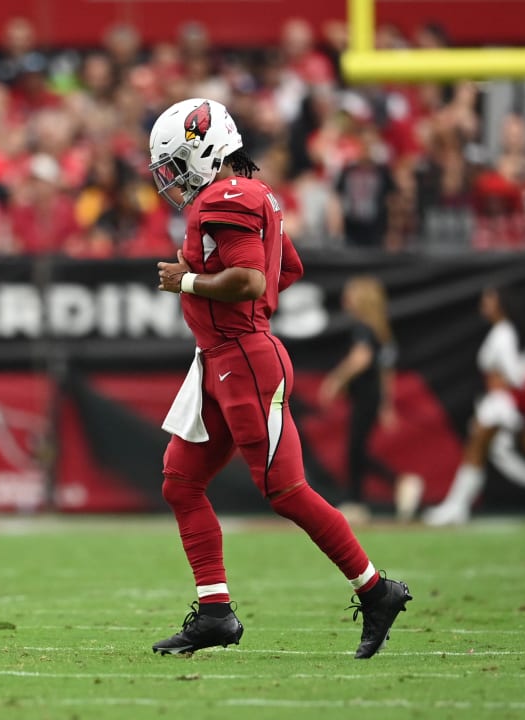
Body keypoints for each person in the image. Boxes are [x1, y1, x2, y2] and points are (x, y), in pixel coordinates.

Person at [150, 98, 410, 659]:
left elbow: (247, 280)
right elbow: (284, 268)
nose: (170, 180)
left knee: (285, 491)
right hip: (221, 359)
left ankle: (376, 590)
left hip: (242, 359)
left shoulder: (226, 196)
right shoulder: (251, 195)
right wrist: (236, 298)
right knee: (181, 481)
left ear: (206, 148)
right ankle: (216, 613)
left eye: (175, 164)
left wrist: (190, 282)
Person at [424, 287, 525, 526]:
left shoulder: (503, 332)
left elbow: (516, 373)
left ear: (501, 304)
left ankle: (456, 507)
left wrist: (511, 389)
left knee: (477, 449)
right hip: (506, 404)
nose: (484, 304)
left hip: (503, 404)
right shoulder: (507, 331)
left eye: (489, 300)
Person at [319, 276, 399, 518]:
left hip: (366, 395)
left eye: (351, 294)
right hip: (370, 396)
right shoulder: (380, 330)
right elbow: (386, 371)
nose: (346, 299)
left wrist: (336, 380)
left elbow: (361, 359)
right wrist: (386, 404)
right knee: (358, 447)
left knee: (356, 447)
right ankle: (393, 485)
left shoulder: (364, 329)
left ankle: (358, 500)